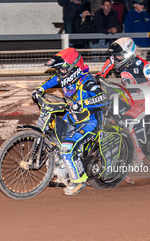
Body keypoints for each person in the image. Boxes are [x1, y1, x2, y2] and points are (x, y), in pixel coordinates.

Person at [32, 48, 106, 196]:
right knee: (54, 140)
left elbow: (103, 98)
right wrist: (39, 89)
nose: (59, 73)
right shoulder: (63, 77)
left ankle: (79, 180)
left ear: (74, 68)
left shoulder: (87, 81)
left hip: (90, 121)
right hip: (72, 117)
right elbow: (52, 81)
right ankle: (64, 174)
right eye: (58, 69)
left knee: (67, 147)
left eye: (62, 69)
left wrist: (84, 103)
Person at [95, 37, 150, 165]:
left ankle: (138, 158)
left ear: (129, 54)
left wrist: (143, 86)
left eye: (119, 57)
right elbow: (108, 63)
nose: (116, 60)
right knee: (108, 112)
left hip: (145, 100)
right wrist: (100, 75)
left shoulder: (143, 65)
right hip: (129, 98)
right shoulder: (116, 59)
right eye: (115, 56)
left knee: (128, 122)